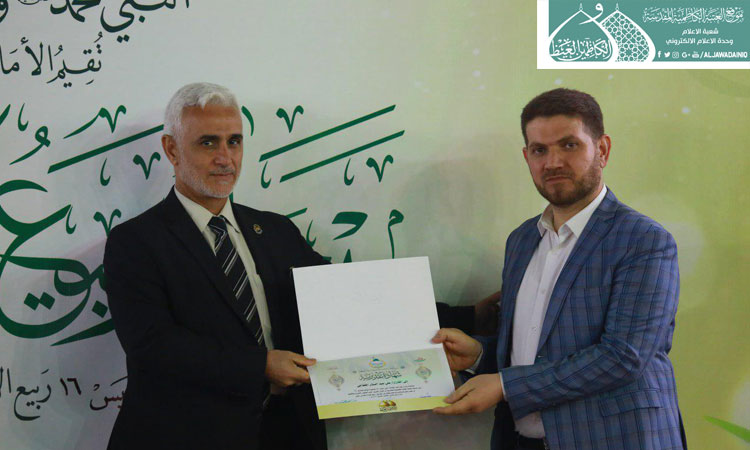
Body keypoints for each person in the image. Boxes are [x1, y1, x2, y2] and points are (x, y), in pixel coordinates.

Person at [433, 88, 686, 450]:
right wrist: (479, 354)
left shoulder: (643, 240)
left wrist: (504, 385)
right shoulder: (521, 241)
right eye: (539, 150)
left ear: (602, 150)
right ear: (527, 157)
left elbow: (623, 357)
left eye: (569, 145)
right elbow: (530, 349)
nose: (552, 162)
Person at [104, 82, 328, 450]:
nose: (226, 159)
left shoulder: (276, 230)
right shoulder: (135, 242)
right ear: (172, 149)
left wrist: (426, 329)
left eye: (234, 142)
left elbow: (340, 297)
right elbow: (153, 345)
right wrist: (260, 366)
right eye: (208, 143)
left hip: (286, 433)